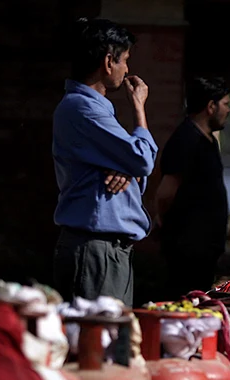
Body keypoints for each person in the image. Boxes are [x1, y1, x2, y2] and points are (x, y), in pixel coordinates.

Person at [52, 18, 157, 307]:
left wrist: (128, 167)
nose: (127, 70)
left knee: (113, 343)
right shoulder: (82, 108)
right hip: (95, 250)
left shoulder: (97, 109)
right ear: (109, 62)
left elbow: (138, 170)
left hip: (110, 250)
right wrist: (138, 107)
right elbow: (142, 159)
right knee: (96, 343)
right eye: (125, 61)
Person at [154, 77, 230, 299]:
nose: (228, 110)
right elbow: (166, 192)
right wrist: (165, 222)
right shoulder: (187, 139)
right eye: (225, 104)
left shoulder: (207, 140)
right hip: (187, 250)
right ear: (210, 106)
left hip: (204, 250)